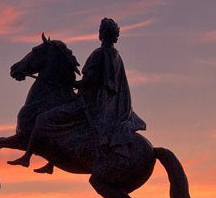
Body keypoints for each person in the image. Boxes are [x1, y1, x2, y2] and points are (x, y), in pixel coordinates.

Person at [8, 17, 146, 172]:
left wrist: (71, 83)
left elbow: (90, 81)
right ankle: (51, 163)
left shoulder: (100, 54)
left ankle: (27, 157)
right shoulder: (115, 56)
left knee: (43, 119)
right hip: (103, 104)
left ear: (102, 34)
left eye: (100, 31)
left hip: (89, 104)